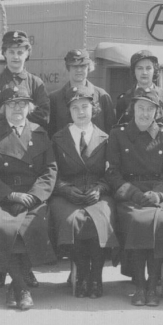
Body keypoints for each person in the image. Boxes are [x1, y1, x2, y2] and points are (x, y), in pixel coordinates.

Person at [0, 87, 57, 311]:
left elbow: (49, 170)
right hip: (0, 197)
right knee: (1, 227)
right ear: (3, 109)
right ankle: (20, 287)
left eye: (22, 103)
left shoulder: (39, 132)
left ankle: (15, 284)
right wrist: (9, 195)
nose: (17, 108)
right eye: (12, 104)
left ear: (30, 107)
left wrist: (35, 195)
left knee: (34, 225)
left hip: (31, 197)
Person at [107, 89, 163, 307]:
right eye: (141, 108)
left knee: (161, 221)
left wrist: (158, 195)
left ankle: (152, 285)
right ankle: (139, 285)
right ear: (133, 109)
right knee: (138, 221)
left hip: (159, 194)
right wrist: (134, 193)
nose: (145, 113)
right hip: (130, 194)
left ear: (157, 112)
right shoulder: (118, 134)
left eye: (150, 109)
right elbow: (113, 173)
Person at [49, 87, 118, 299]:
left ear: (93, 109)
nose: (80, 112)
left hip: (97, 192)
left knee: (101, 219)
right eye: (75, 108)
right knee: (72, 220)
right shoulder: (58, 138)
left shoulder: (105, 138)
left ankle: (96, 275)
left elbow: (113, 172)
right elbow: (51, 172)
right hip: (67, 193)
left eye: (85, 107)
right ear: (69, 111)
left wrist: (101, 188)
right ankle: (80, 274)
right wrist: (64, 189)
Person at [0, 30, 50, 130]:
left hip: (30, 137)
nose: (16, 57)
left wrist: (7, 113)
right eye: (11, 52)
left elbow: (44, 117)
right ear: (4, 53)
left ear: (27, 54)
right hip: (1, 137)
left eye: (20, 52)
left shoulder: (36, 83)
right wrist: (28, 110)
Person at [47, 49, 117, 136]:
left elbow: (111, 132)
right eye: (74, 66)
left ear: (88, 67)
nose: (79, 70)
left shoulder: (102, 96)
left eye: (83, 66)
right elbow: (51, 133)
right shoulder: (54, 98)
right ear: (68, 68)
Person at [113, 49, 163, 128]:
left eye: (148, 68)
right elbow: (119, 131)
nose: (144, 72)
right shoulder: (123, 100)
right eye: (140, 68)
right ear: (134, 71)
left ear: (154, 70)